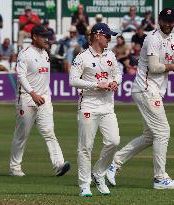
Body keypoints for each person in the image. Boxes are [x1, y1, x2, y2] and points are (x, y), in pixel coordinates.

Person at [106, 8, 174, 190]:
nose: (167, 24)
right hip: (146, 89)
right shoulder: (152, 38)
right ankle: (159, 178)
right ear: (159, 20)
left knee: (150, 136)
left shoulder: (172, 41)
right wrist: (173, 66)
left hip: (152, 91)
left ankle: (113, 163)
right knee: (163, 132)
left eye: (171, 21)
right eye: (164, 20)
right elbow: (155, 67)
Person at [9, 25, 71, 177]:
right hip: (27, 98)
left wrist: (43, 95)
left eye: (47, 36)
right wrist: (33, 93)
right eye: (43, 36)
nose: (47, 39)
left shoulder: (45, 54)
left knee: (49, 132)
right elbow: (21, 76)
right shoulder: (25, 54)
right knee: (21, 135)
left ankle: (58, 165)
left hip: (44, 99)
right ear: (34, 37)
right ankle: (14, 167)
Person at [69, 22, 121, 197]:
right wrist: (95, 85)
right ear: (97, 35)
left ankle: (99, 173)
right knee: (85, 147)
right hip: (88, 105)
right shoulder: (82, 57)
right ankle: (84, 185)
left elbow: (117, 74)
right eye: (107, 36)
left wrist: (115, 82)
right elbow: (73, 80)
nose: (109, 39)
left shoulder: (110, 55)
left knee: (113, 141)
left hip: (107, 106)